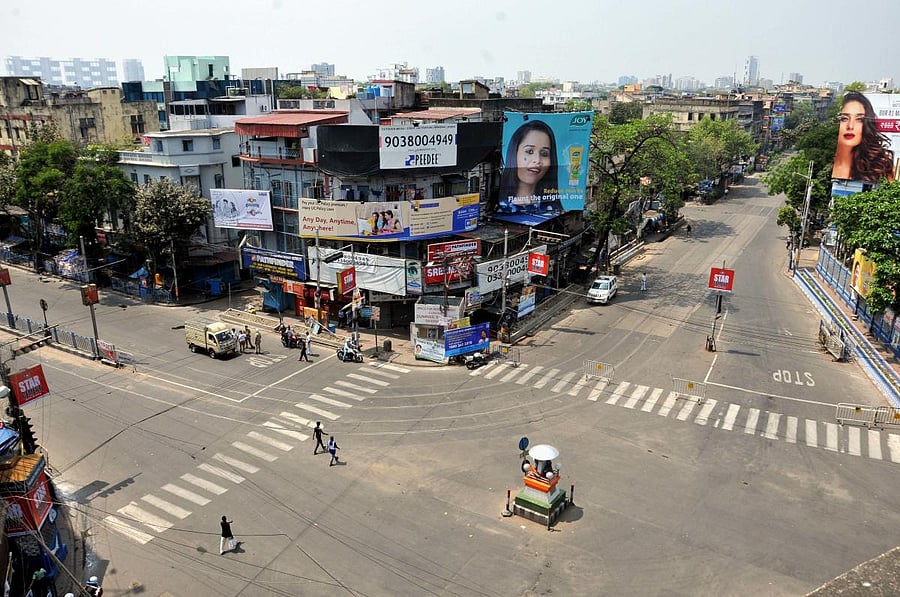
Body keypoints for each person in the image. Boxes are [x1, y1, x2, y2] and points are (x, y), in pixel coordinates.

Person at [498, 119, 562, 214]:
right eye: (529, 151)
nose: (537, 160)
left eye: (544, 153)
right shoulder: (498, 206)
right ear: (514, 153)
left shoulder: (552, 208)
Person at [831, 91, 895, 183]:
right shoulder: (826, 161)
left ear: (867, 125)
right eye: (844, 118)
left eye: (859, 119)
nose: (850, 126)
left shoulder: (881, 167)